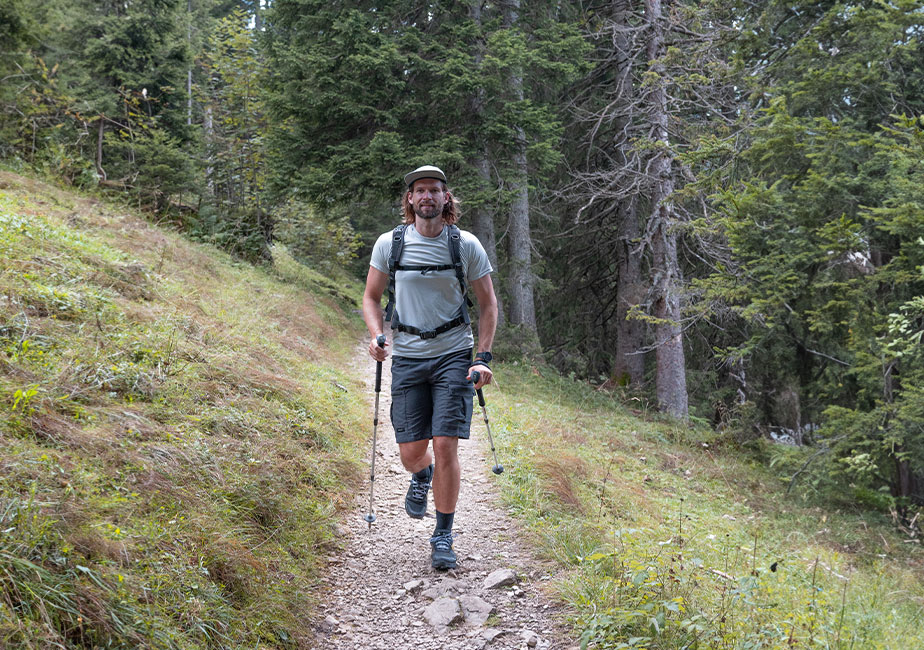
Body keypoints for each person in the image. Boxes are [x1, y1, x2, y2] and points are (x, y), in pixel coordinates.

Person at [363, 165, 497, 570]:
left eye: (434, 190)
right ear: (410, 199)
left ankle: (443, 535)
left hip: (454, 354)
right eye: (420, 190)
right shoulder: (390, 244)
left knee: (445, 443)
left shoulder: (465, 245)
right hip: (407, 356)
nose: (427, 196)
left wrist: (482, 358)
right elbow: (371, 297)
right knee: (411, 453)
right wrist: (376, 336)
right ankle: (422, 475)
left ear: (445, 198)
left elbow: (488, 304)